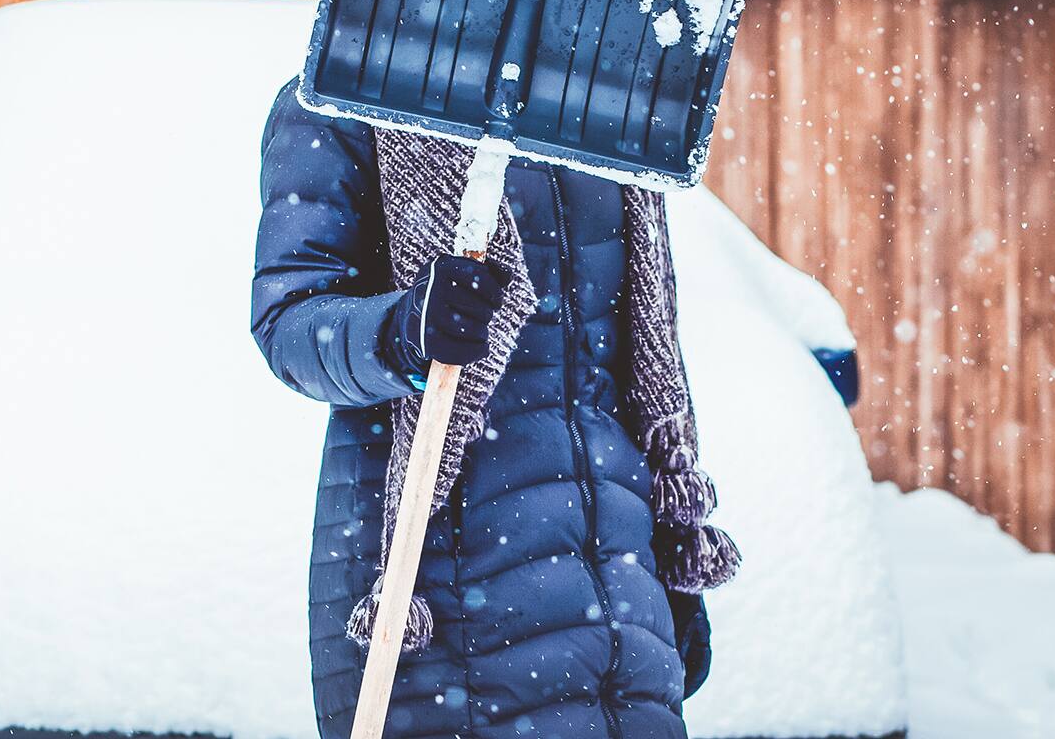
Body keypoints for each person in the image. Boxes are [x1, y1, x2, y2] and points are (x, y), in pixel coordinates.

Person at [250, 80, 742, 739]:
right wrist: (401, 331)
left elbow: (630, 358)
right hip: (449, 614)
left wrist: (660, 559)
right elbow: (290, 322)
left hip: (622, 609)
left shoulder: (597, 100)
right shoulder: (353, 91)